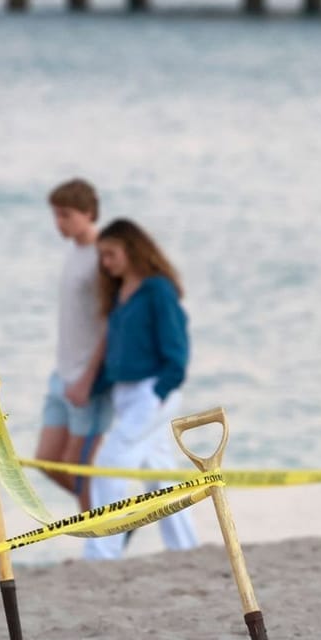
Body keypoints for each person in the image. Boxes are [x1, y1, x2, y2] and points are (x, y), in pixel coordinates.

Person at [84, 218, 199, 561]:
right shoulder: (121, 294)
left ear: (132, 250)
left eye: (111, 254)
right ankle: (186, 549)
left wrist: (160, 391)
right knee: (159, 474)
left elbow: (177, 348)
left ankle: (101, 552)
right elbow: (121, 352)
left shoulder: (158, 290)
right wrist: (94, 387)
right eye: (102, 256)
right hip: (126, 394)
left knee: (109, 462)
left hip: (152, 391)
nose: (106, 263)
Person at [36, 179, 109, 511]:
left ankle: (102, 538)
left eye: (65, 215)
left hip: (87, 379)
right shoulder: (74, 252)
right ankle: (114, 519)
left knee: (80, 469)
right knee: (48, 461)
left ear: (88, 213)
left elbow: (112, 323)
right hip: (61, 373)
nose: (58, 223)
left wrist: (88, 378)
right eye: (55, 215)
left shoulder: (101, 257)